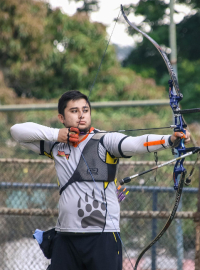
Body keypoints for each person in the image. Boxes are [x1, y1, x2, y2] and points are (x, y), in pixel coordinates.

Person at [10, 90, 190, 270]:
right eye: (74, 111)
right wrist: (56, 134)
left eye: (85, 110)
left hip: (102, 236)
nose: (81, 115)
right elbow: (16, 132)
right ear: (61, 117)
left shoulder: (105, 140)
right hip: (65, 237)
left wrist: (170, 139)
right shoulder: (56, 145)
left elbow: (136, 144)